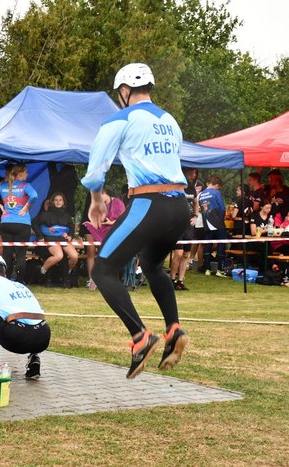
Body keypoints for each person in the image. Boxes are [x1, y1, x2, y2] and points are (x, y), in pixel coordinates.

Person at [80, 63, 191, 379]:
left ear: (125, 91)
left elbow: (96, 169)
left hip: (149, 203)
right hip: (180, 206)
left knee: (102, 269)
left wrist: (96, 200)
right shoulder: (170, 121)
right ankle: (174, 329)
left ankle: (141, 337)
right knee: (152, 265)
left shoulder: (120, 119)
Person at [0, 164, 38, 282]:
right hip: (22, 223)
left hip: (6, 223)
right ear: (20, 174)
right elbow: (34, 196)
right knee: (21, 255)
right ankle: (20, 281)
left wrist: (0, 206)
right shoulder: (26, 186)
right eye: (26, 172)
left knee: (7, 253)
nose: (27, 174)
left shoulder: (3, 186)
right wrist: (26, 207)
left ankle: (6, 280)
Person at [32, 192, 80, 287]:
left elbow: (71, 226)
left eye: (60, 200)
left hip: (63, 239)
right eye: (56, 200)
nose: (58, 202)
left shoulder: (67, 215)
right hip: (50, 239)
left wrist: (70, 235)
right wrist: (40, 236)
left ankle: (65, 274)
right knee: (59, 256)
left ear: (63, 202)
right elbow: (34, 223)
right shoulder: (45, 214)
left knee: (74, 256)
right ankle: (42, 271)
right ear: (52, 202)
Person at [81, 188, 125, 290]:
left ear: (104, 193)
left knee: (109, 255)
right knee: (92, 252)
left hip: (111, 231)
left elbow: (124, 218)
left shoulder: (118, 203)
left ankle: (108, 279)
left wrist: (112, 223)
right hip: (98, 228)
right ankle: (92, 279)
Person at [170, 169, 201, 290]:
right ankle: (172, 279)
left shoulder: (192, 188)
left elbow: (196, 203)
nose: (194, 175)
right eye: (192, 172)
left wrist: (196, 216)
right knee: (178, 253)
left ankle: (180, 281)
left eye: (195, 173)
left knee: (186, 254)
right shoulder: (175, 186)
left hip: (189, 226)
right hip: (177, 225)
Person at [198, 176, 227, 276]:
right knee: (221, 243)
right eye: (219, 187)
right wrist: (221, 219)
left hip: (206, 221)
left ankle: (207, 269)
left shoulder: (201, 194)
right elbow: (222, 208)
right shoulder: (216, 192)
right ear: (217, 185)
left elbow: (202, 210)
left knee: (208, 244)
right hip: (217, 221)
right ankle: (220, 270)